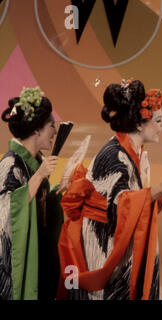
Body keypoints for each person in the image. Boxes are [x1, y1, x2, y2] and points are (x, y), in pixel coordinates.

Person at [57, 80, 162, 300]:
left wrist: (161, 192)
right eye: (158, 120)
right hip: (100, 241)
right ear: (139, 124)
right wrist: (157, 189)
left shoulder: (130, 151)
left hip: (111, 238)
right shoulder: (114, 155)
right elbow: (120, 206)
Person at [0, 87, 66, 300]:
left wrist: (61, 187)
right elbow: (6, 210)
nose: (54, 132)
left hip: (38, 255)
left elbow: (41, 206)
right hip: (15, 263)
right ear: (37, 130)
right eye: (51, 126)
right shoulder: (11, 163)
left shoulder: (35, 163)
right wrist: (38, 177)